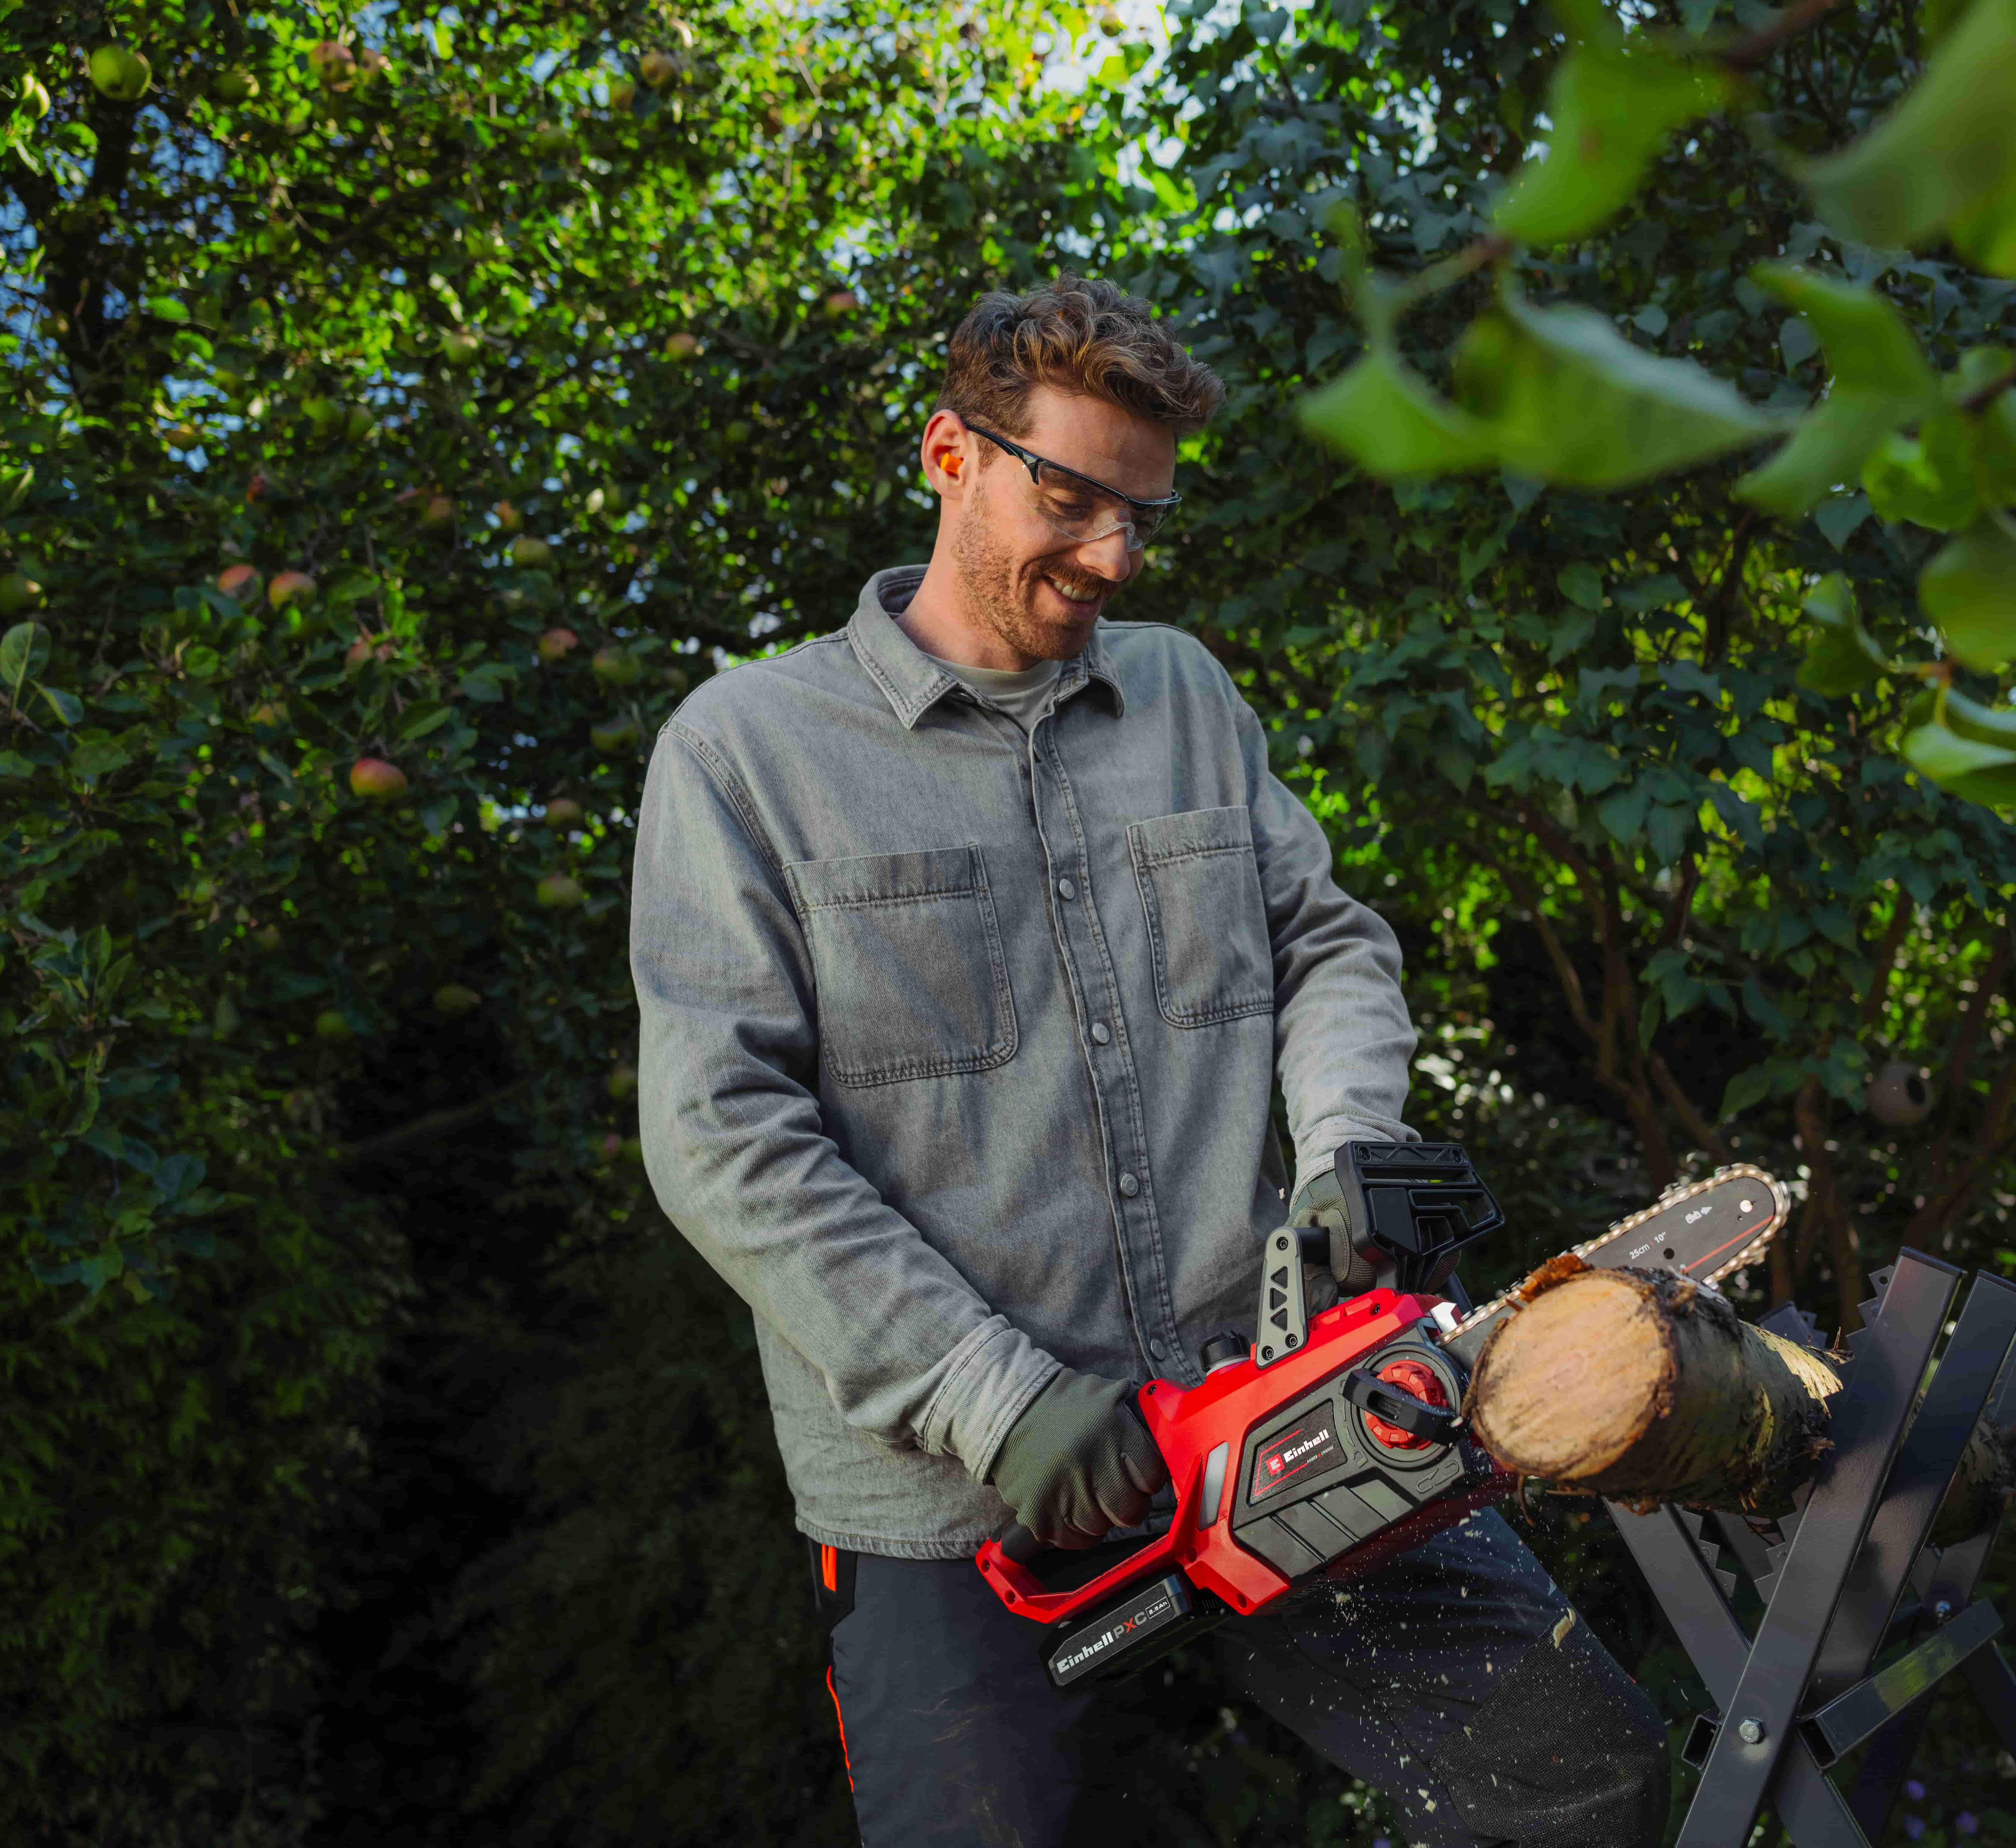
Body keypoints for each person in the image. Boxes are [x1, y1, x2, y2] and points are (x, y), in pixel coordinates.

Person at [631, 276, 1665, 1846]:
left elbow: (1323, 941)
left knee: (1582, 1778)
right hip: (962, 1503)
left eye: (1144, 518)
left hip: (1270, 1418)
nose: (1114, 556)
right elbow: (723, 1135)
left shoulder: (1183, 696)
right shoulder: (748, 753)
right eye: (1074, 500)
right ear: (951, 455)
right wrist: (993, 1400)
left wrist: (1349, 1153)